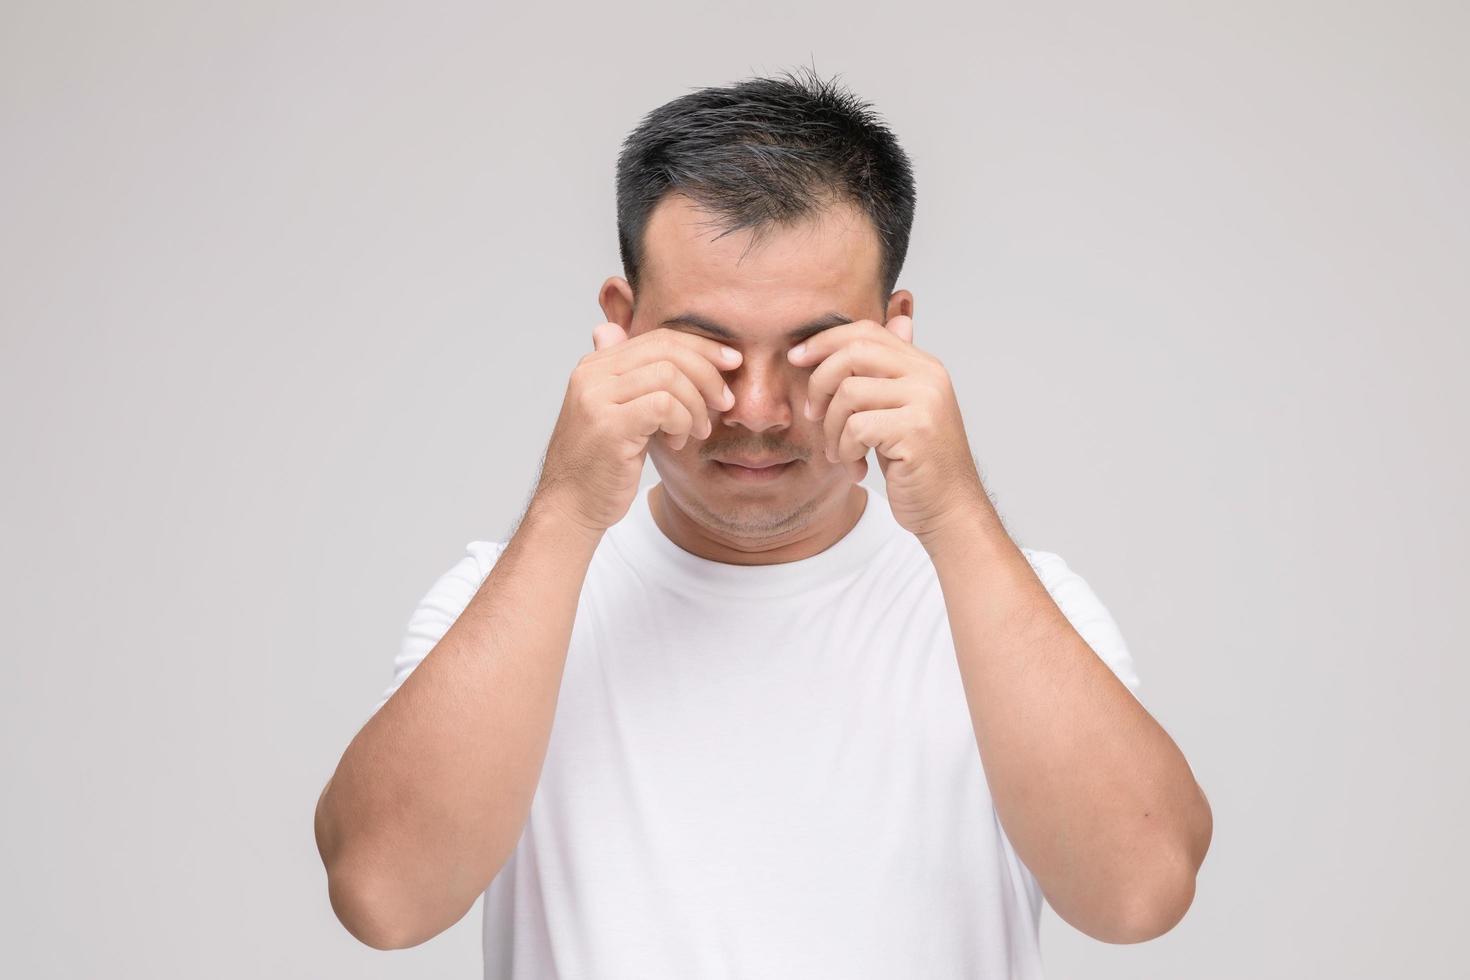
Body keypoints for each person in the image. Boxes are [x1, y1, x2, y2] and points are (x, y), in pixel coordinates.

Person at [314, 67, 1212, 978]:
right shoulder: (502, 599)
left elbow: (1138, 896)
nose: (756, 409)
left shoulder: (1020, 607)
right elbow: (384, 900)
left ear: (895, 337)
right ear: (620, 330)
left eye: (810, 351)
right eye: (707, 347)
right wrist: (567, 507)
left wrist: (951, 510)